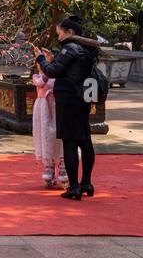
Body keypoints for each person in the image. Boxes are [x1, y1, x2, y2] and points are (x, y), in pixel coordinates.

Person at [35, 16, 100, 201]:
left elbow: (53, 71)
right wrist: (54, 60)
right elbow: (67, 68)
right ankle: (86, 183)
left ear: (70, 32)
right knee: (85, 141)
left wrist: (41, 59)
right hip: (83, 97)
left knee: (70, 142)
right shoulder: (88, 49)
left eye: (60, 33)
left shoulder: (70, 48)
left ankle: (74, 187)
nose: (59, 37)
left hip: (69, 98)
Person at [30, 58, 65, 189]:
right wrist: (47, 68)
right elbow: (40, 82)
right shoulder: (37, 77)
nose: (41, 66)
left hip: (57, 108)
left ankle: (63, 164)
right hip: (43, 111)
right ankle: (48, 166)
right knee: (45, 136)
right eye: (40, 64)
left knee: (59, 136)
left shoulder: (59, 76)